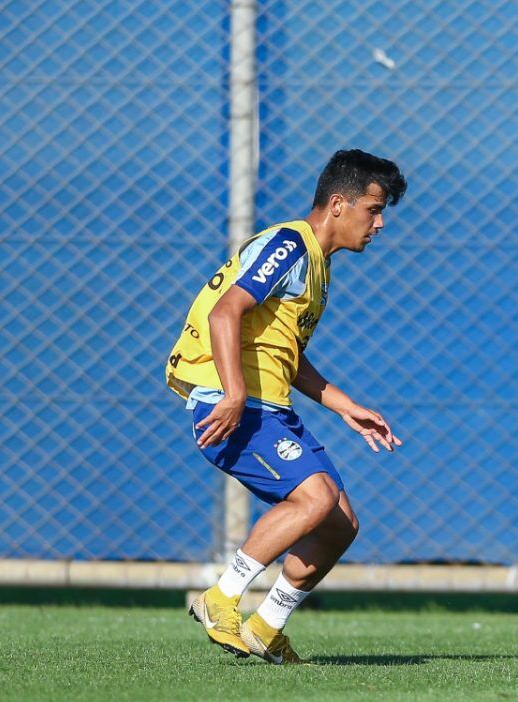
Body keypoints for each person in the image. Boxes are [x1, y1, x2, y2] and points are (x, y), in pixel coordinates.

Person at [165, 149, 407, 664]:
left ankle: (267, 625)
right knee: (315, 498)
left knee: (340, 524)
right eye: (373, 209)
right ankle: (220, 598)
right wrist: (232, 393)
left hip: (266, 406)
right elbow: (227, 313)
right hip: (230, 400)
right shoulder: (290, 246)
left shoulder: (316, 268)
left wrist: (345, 406)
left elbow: (286, 355)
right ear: (338, 204)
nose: (380, 223)